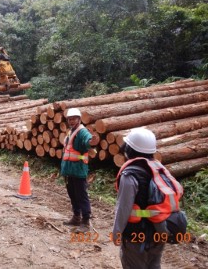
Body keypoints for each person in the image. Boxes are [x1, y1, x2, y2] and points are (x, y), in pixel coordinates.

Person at [112, 128, 172, 269]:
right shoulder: (158, 168)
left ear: (129, 149)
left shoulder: (130, 175)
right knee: (154, 265)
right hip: (159, 231)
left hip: (136, 234)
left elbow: (124, 208)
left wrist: (117, 233)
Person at [61, 108, 98, 231]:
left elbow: (87, 141)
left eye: (74, 119)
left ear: (79, 119)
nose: (71, 121)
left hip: (78, 170)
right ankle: (76, 217)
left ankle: (86, 221)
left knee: (81, 195)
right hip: (69, 170)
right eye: (69, 119)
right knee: (72, 195)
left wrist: (91, 142)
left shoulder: (82, 132)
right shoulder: (70, 132)